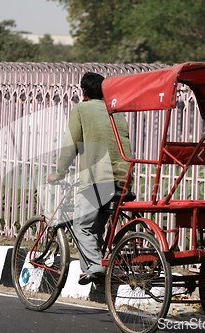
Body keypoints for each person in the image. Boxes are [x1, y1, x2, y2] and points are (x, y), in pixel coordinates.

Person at [47, 72, 132, 285]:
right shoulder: (116, 112)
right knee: (95, 227)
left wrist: (59, 172)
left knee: (81, 225)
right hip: (122, 178)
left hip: (97, 179)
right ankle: (99, 269)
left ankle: (95, 268)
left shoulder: (81, 109)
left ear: (83, 91)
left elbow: (71, 144)